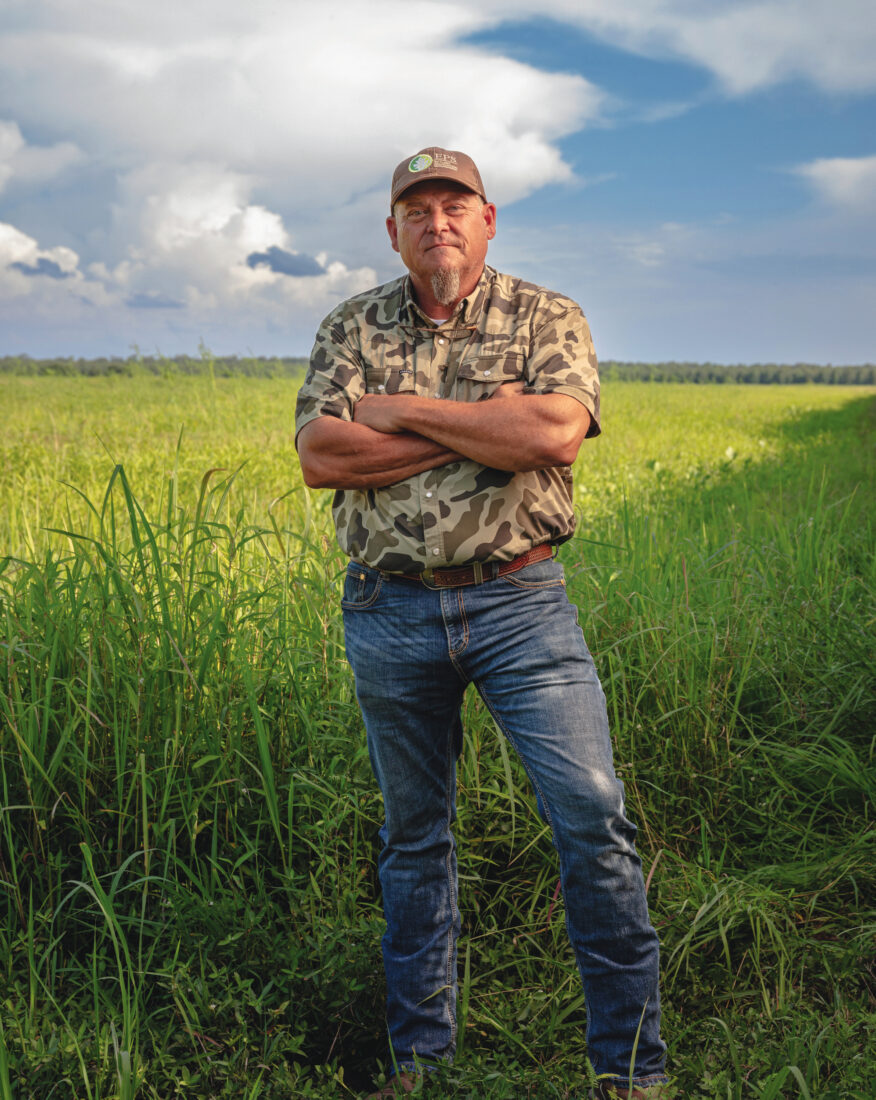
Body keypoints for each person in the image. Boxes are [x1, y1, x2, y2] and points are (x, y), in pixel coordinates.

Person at [295, 147, 669, 1099]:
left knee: (593, 818)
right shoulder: (352, 325)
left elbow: (551, 432)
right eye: (416, 210)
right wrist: (477, 421)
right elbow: (323, 456)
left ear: (489, 218)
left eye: (453, 205)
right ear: (392, 230)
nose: (437, 223)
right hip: (389, 608)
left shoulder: (545, 316)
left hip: (521, 603)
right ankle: (422, 1064)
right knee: (414, 837)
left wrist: (404, 415)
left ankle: (629, 1072)